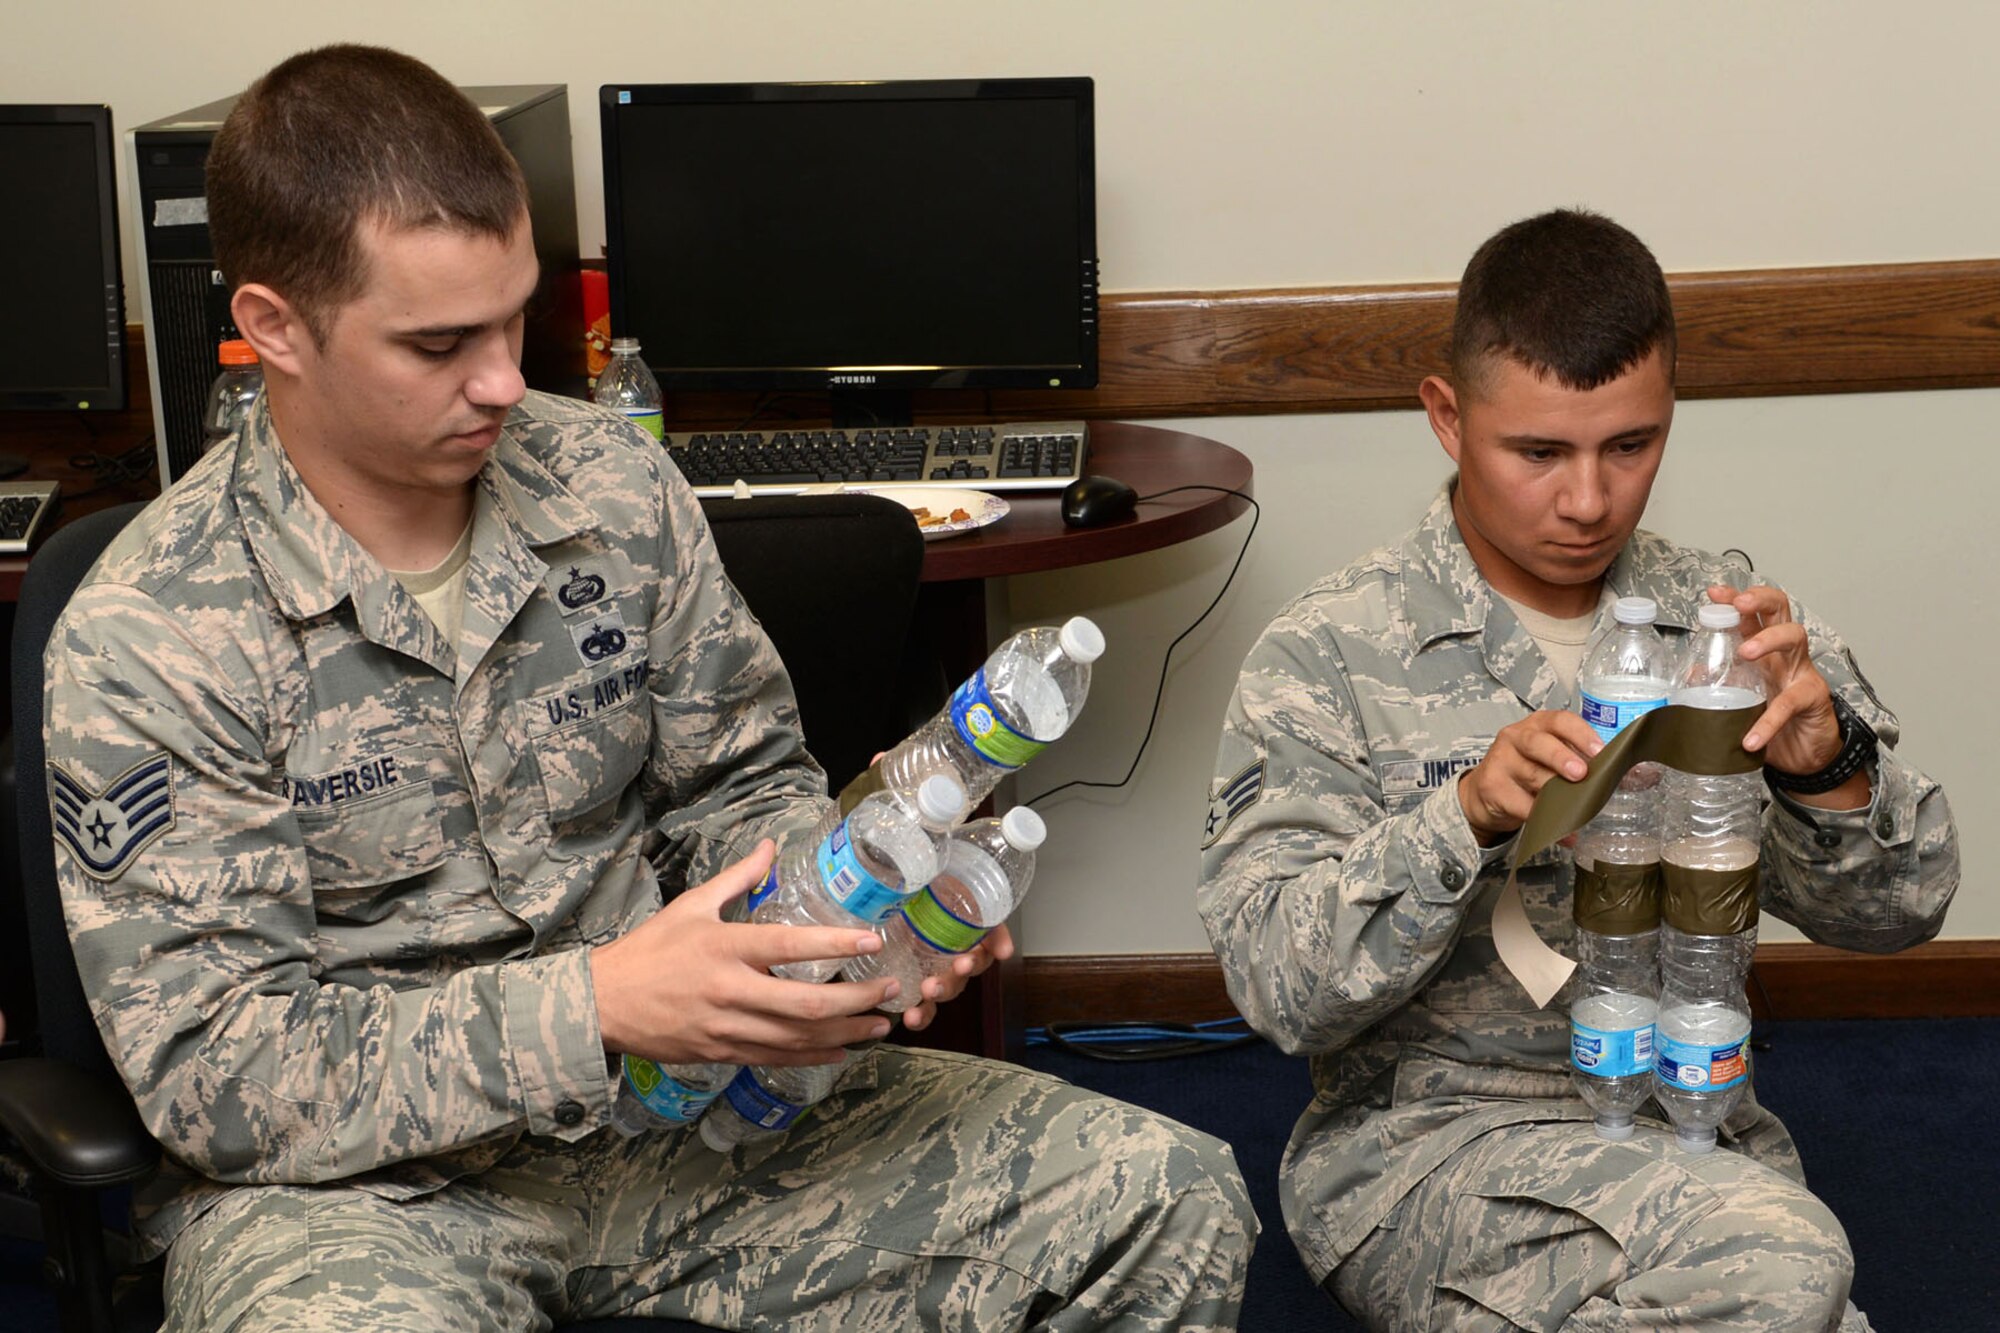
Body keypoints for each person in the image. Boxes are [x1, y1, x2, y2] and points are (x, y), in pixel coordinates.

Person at [47, 45, 1254, 1331]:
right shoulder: (151, 631)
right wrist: (594, 1006)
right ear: (273, 327)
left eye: (517, 316)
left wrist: (849, 909)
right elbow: (222, 1078)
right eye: (440, 342)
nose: (507, 380)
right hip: (362, 1196)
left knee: (1164, 1197)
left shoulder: (606, 485)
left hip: (685, 1114)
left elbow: (738, 784)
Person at [1199, 209, 1957, 1331]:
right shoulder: (1329, 649)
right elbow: (1273, 986)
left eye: (1630, 446)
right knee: (1784, 1268)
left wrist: (1824, 767)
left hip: (1692, 1133)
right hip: (1435, 1151)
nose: (1588, 501)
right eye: (1538, 452)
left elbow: (1898, 916)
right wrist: (1458, 817)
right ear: (1446, 418)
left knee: (1780, 1292)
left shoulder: (1724, 628)